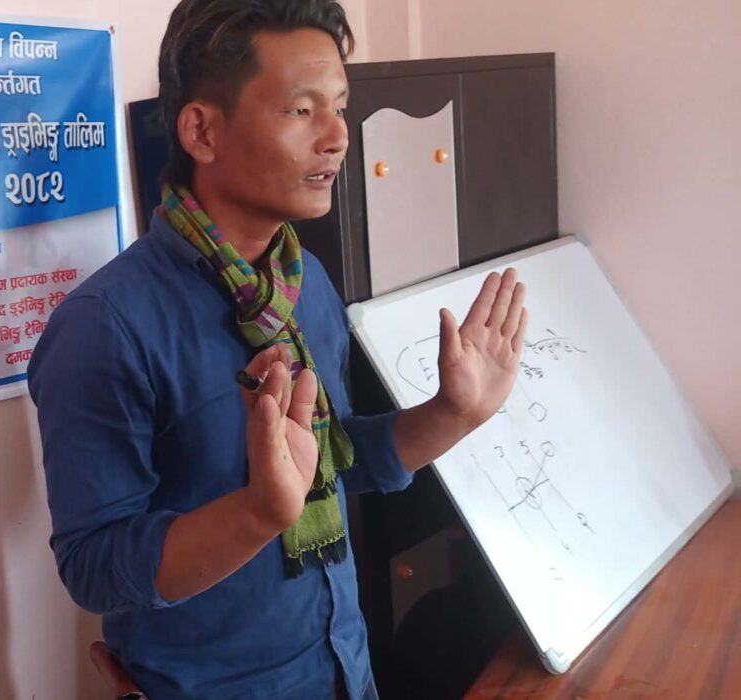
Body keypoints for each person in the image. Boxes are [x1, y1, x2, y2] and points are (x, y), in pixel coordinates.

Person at [27, 1, 528, 697]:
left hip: (343, 667)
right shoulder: (104, 326)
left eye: (339, 107)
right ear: (201, 130)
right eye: (300, 110)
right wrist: (257, 514)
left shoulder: (303, 283)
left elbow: (336, 460)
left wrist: (453, 415)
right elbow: (93, 566)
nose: (338, 136)